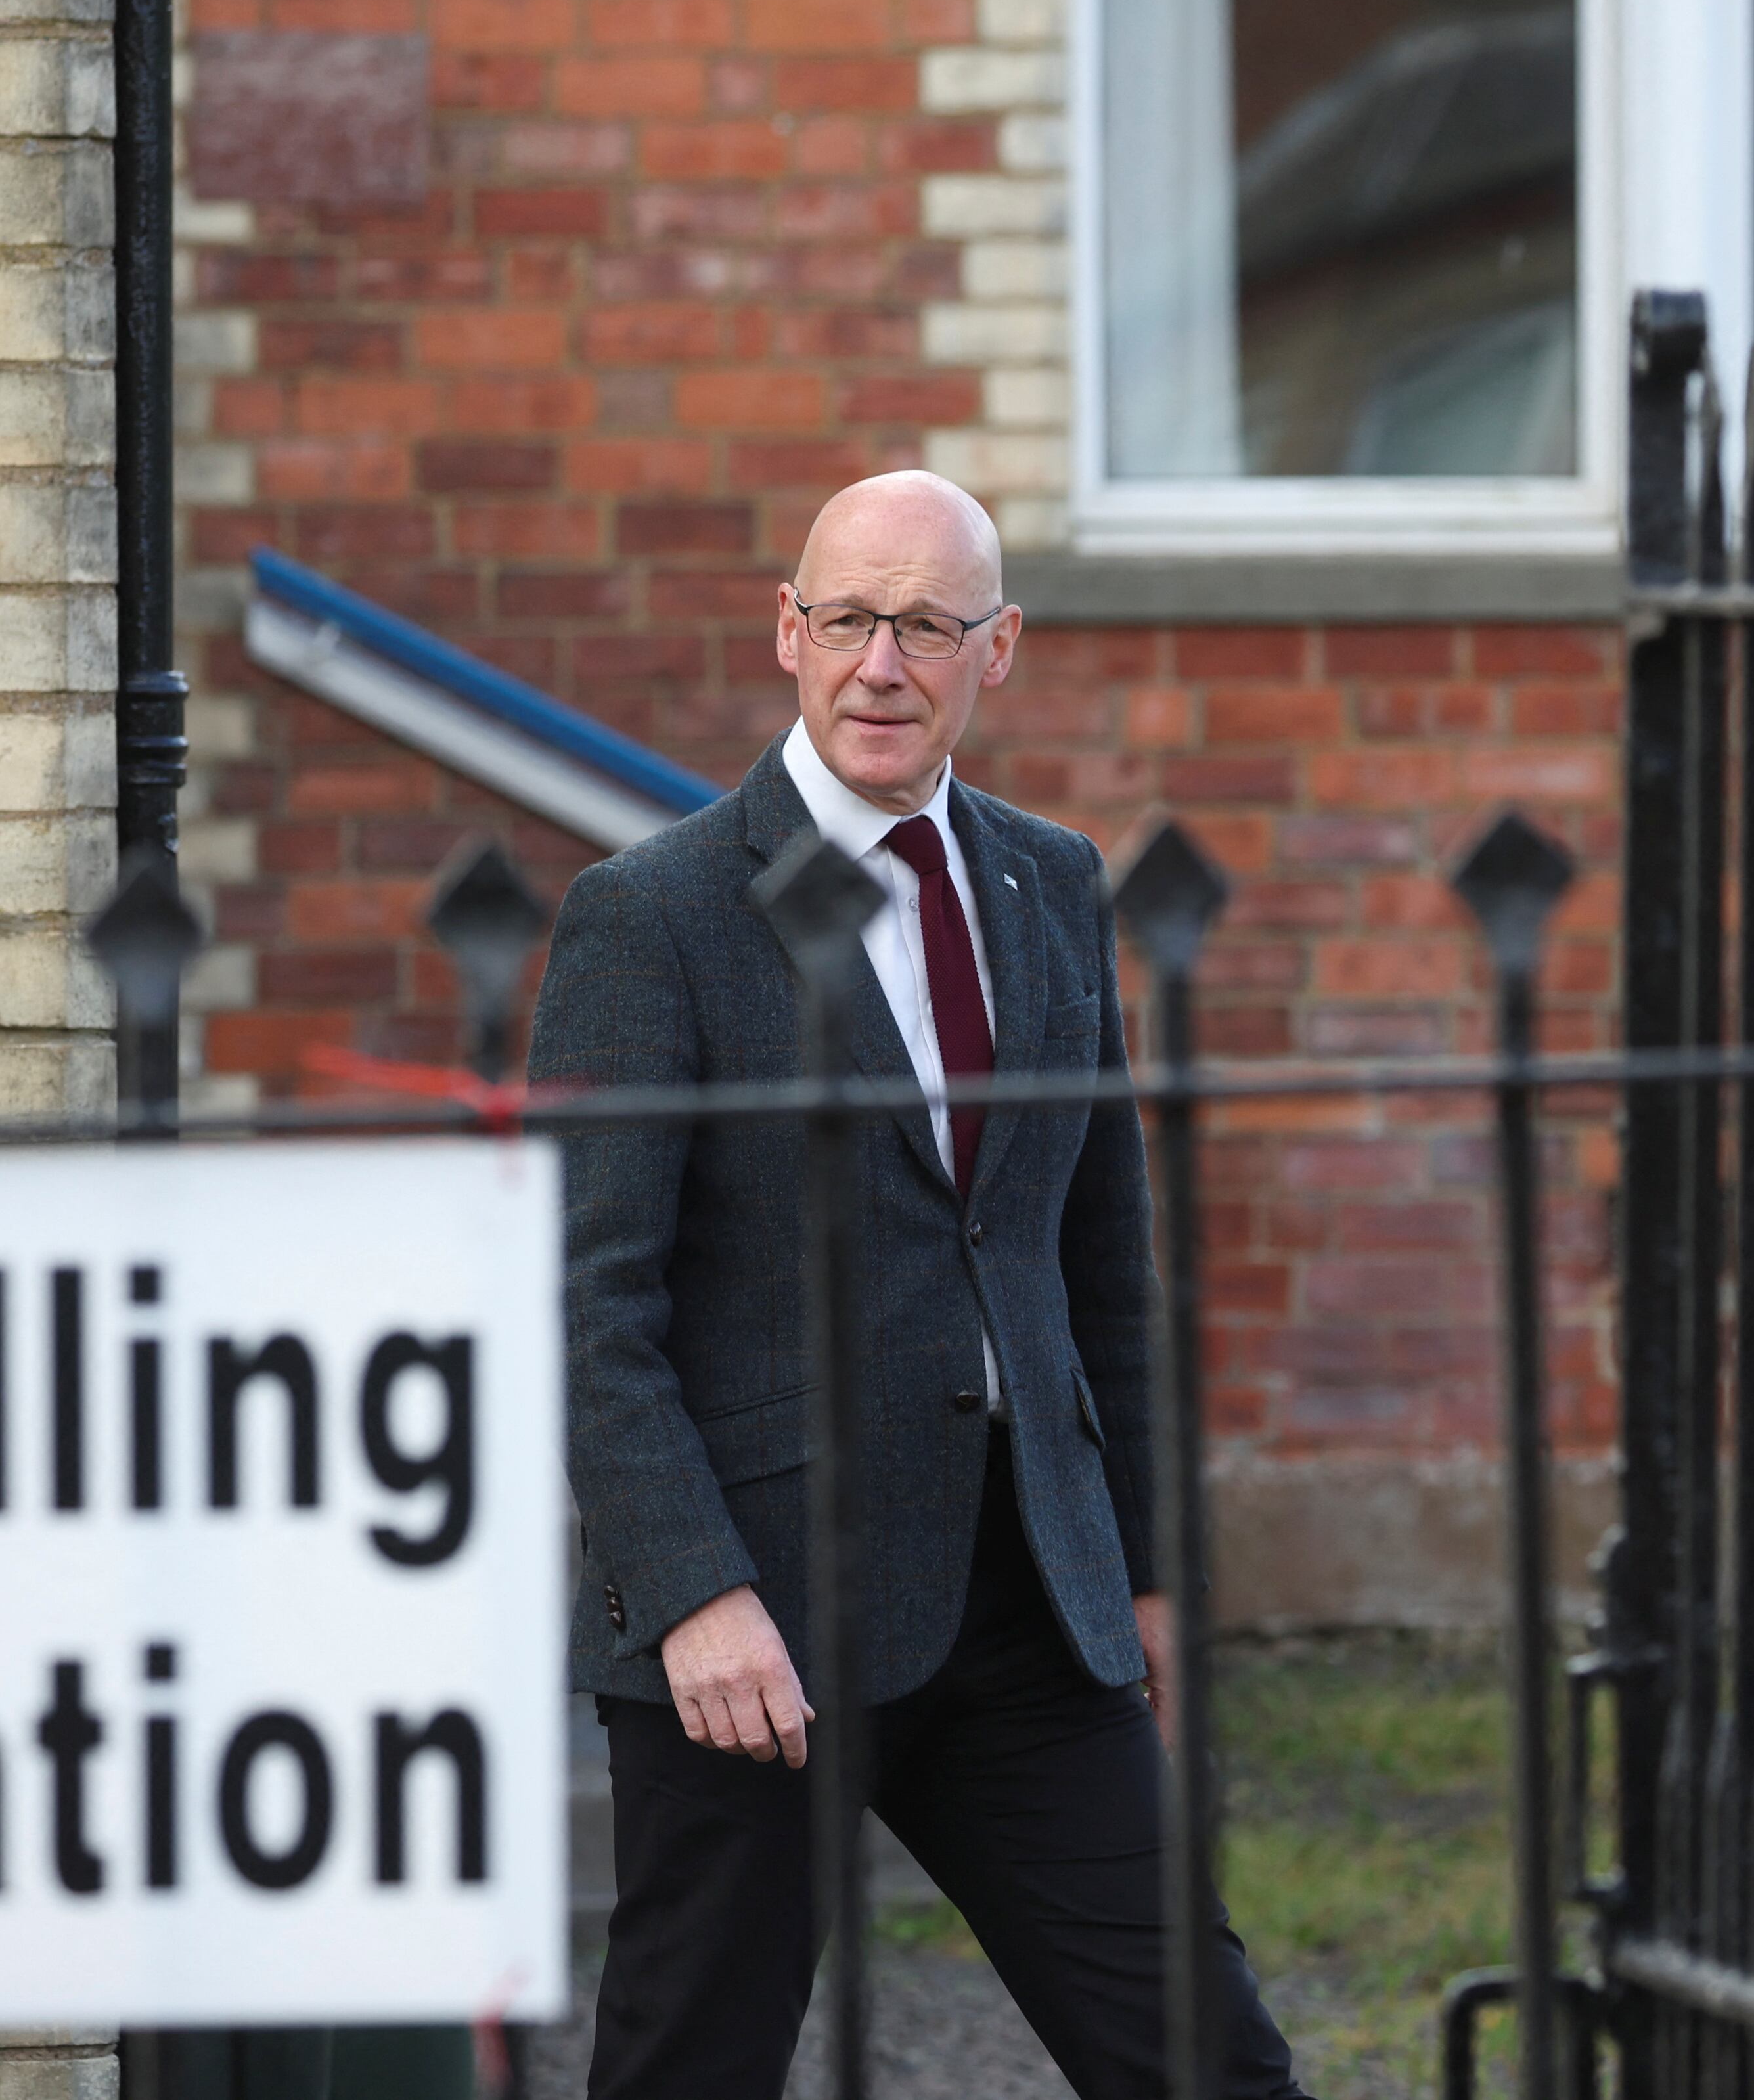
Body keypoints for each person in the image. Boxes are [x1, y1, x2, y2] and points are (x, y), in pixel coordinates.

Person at [530, 471, 1313, 2100]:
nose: (881, 664)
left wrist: (1143, 1570)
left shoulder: (1051, 884)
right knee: (688, 2074)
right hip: (754, 1635)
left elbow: (1103, 1261)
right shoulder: (652, 914)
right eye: (847, 620)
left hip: (1025, 1602)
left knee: (1210, 2062)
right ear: (785, 633)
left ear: (997, 649)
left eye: (928, 626)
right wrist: (689, 1590)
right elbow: (585, 1300)